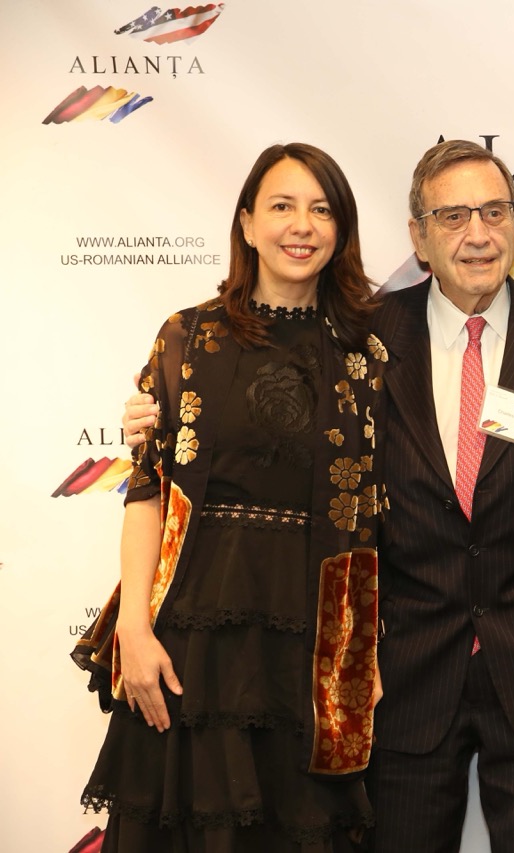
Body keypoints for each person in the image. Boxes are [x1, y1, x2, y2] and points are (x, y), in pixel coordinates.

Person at [75, 142, 385, 850]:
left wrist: (366, 650)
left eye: (321, 209)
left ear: (341, 229)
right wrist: (134, 630)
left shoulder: (365, 355)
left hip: (310, 641)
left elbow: (373, 516)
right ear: (247, 223)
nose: (301, 225)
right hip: (194, 635)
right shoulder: (188, 338)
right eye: (282, 206)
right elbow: (147, 494)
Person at [363, 140, 514, 852]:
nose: (478, 233)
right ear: (419, 238)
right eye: (453, 216)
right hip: (405, 675)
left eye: (494, 212)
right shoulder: (365, 339)